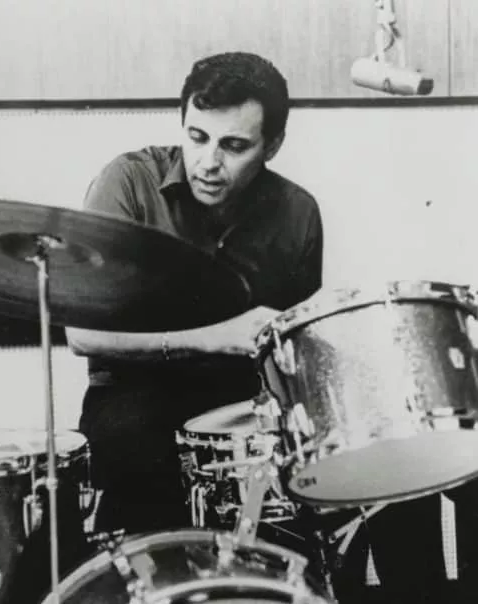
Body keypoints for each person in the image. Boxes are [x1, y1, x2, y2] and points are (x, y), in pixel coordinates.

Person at [65, 51, 323, 538]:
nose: (209, 163)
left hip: (243, 398)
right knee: (136, 444)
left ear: (273, 145)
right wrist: (212, 337)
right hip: (133, 393)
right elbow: (82, 335)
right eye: (197, 137)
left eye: (234, 146)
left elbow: (291, 355)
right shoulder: (129, 182)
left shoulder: (299, 214)